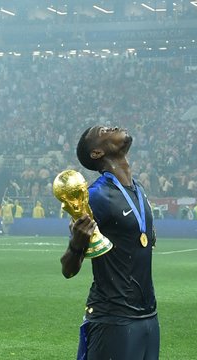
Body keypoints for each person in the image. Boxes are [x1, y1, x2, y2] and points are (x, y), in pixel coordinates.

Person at [64, 125, 159, 359]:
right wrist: (77, 242)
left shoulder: (139, 190)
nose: (114, 127)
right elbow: (68, 269)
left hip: (148, 316)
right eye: (104, 130)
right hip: (113, 319)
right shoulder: (96, 196)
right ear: (97, 153)